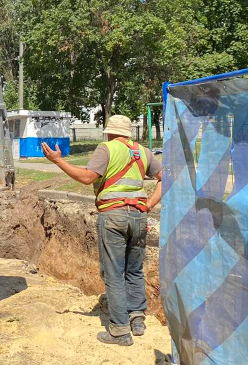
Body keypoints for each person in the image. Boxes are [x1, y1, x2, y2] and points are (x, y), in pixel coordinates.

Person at [41, 114, 162, 346]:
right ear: (128, 133)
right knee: (135, 270)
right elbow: (165, 177)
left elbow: (87, 178)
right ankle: (137, 319)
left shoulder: (106, 149)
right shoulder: (143, 151)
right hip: (138, 217)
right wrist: (148, 205)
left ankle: (120, 331)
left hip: (113, 216)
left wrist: (58, 161)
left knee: (114, 273)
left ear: (109, 132)